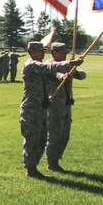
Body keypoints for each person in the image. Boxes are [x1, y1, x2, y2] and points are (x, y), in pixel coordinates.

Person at [20, 41, 83, 178]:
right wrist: (71, 63)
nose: (43, 53)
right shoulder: (31, 65)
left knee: (42, 139)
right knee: (32, 139)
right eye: (40, 51)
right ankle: (30, 169)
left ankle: (34, 167)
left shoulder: (39, 65)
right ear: (32, 51)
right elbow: (48, 68)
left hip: (42, 107)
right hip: (31, 108)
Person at [44, 42, 87, 172]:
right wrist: (63, 76)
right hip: (54, 104)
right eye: (62, 52)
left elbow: (83, 75)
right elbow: (54, 74)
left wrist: (74, 73)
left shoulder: (68, 65)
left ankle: (57, 158)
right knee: (54, 134)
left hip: (66, 103)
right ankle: (52, 161)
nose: (65, 55)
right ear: (54, 52)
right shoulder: (48, 65)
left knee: (64, 134)